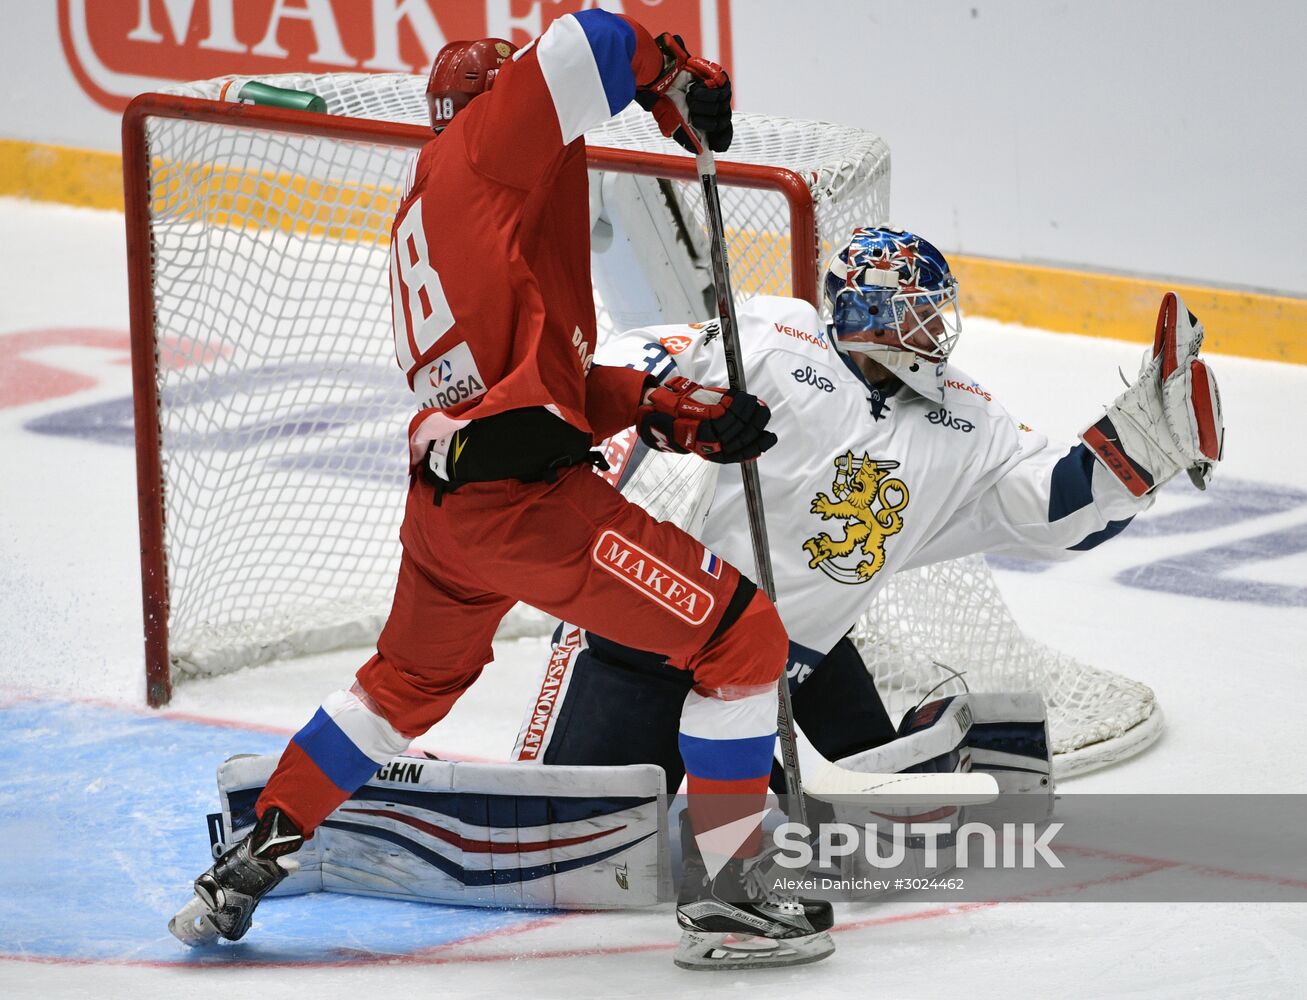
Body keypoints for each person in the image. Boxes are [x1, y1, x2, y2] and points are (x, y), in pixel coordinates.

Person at [169, 11, 836, 970]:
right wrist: (676, 76)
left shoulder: (438, 203)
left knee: (402, 686)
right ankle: (736, 896)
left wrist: (659, 407)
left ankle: (253, 858)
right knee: (742, 640)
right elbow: (599, 37)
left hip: (449, 515)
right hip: (532, 509)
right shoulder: (488, 147)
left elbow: (535, 390)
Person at [515, 225, 1224, 804]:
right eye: (917, 309)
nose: (934, 327)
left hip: (799, 658)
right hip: (656, 638)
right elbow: (631, 361)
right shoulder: (773, 339)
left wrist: (1135, 456)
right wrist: (675, 413)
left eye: (936, 310)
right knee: (582, 827)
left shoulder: (968, 415)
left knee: (859, 824)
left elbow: (1050, 512)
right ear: (865, 311)